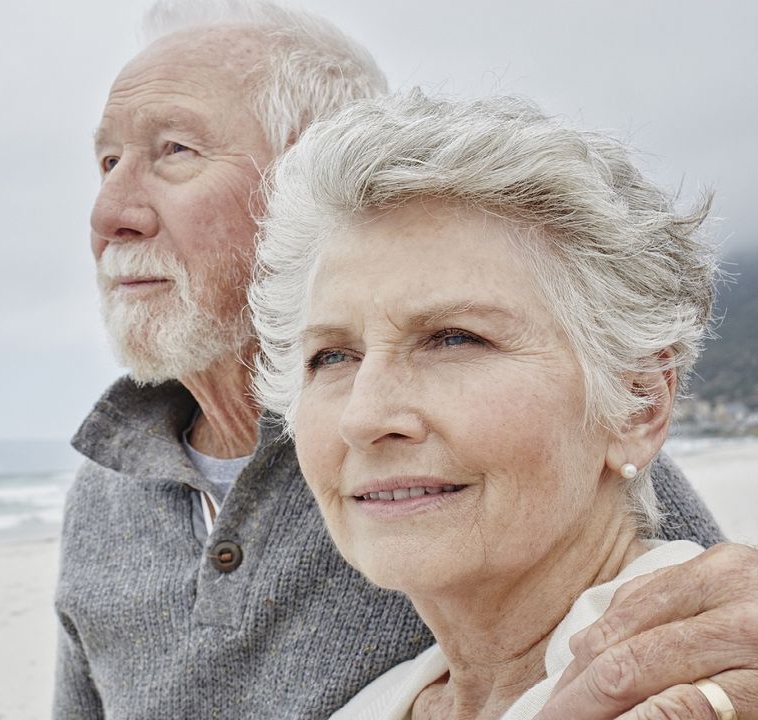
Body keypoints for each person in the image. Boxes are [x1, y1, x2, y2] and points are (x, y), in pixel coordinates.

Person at [55, 2, 758, 718]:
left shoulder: (554, 448)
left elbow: (721, 618)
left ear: (304, 165)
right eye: (331, 356)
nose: (110, 211)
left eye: (175, 151)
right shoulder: (107, 486)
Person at [249, 90, 721, 717]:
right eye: (332, 356)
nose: (363, 418)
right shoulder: (373, 707)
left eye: (454, 339)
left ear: (637, 405)